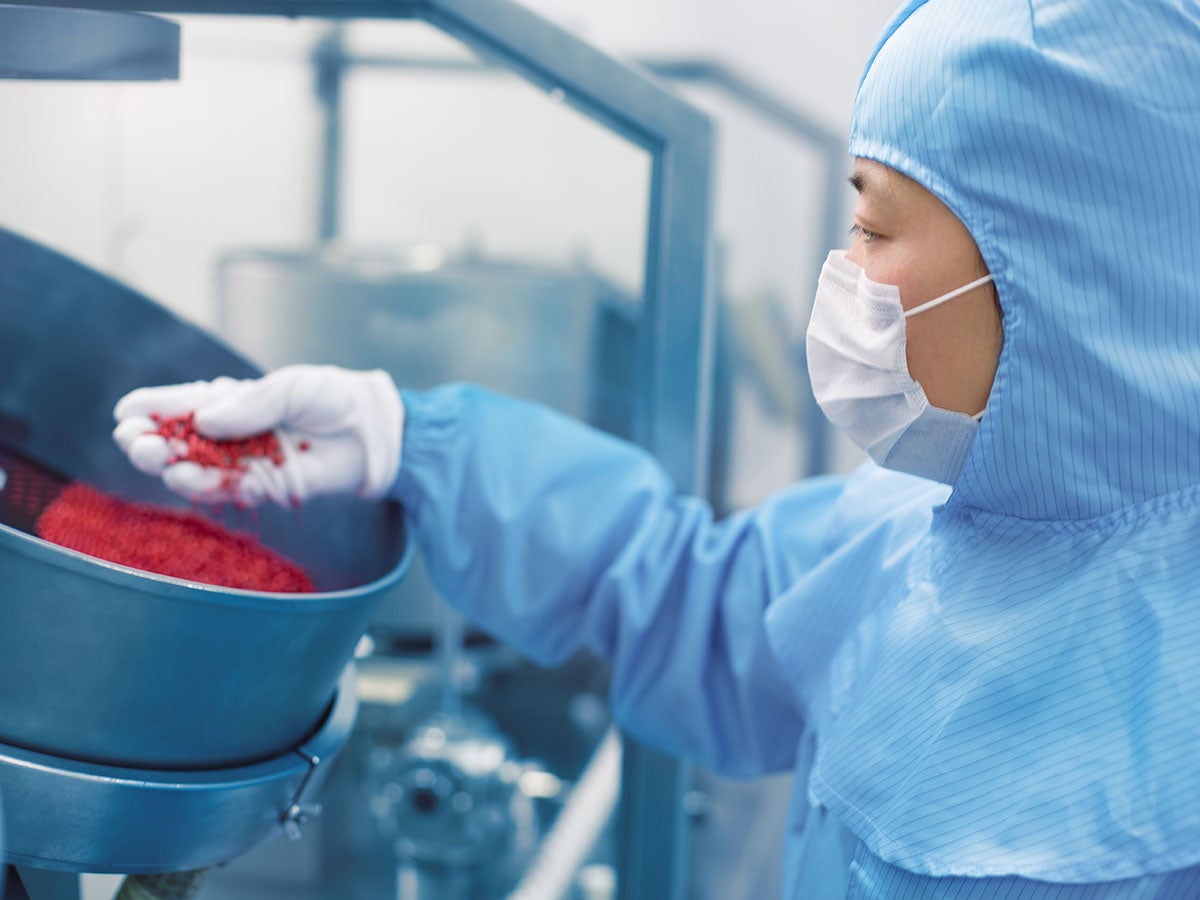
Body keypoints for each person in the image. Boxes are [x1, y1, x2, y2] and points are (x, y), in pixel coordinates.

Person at [111, 0, 1200, 896]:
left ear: (1070, 280)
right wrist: (414, 443)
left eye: (871, 229)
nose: (841, 270)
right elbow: (684, 593)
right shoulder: (911, 519)